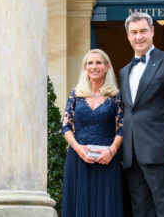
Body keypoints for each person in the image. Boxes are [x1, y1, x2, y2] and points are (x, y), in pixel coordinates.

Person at [119, 12, 164, 217]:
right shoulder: (124, 71)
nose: (138, 37)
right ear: (128, 36)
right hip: (132, 155)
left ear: (152, 32)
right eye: (134, 32)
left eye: (143, 31)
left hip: (162, 152)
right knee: (141, 211)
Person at [61, 49, 124, 216]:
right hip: (79, 158)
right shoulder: (75, 95)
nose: (94, 66)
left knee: (106, 207)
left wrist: (111, 150)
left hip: (107, 159)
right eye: (90, 63)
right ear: (85, 68)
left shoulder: (116, 97)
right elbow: (66, 126)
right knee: (78, 204)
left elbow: (122, 128)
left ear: (107, 67)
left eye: (98, 62)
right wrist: (77, 148)